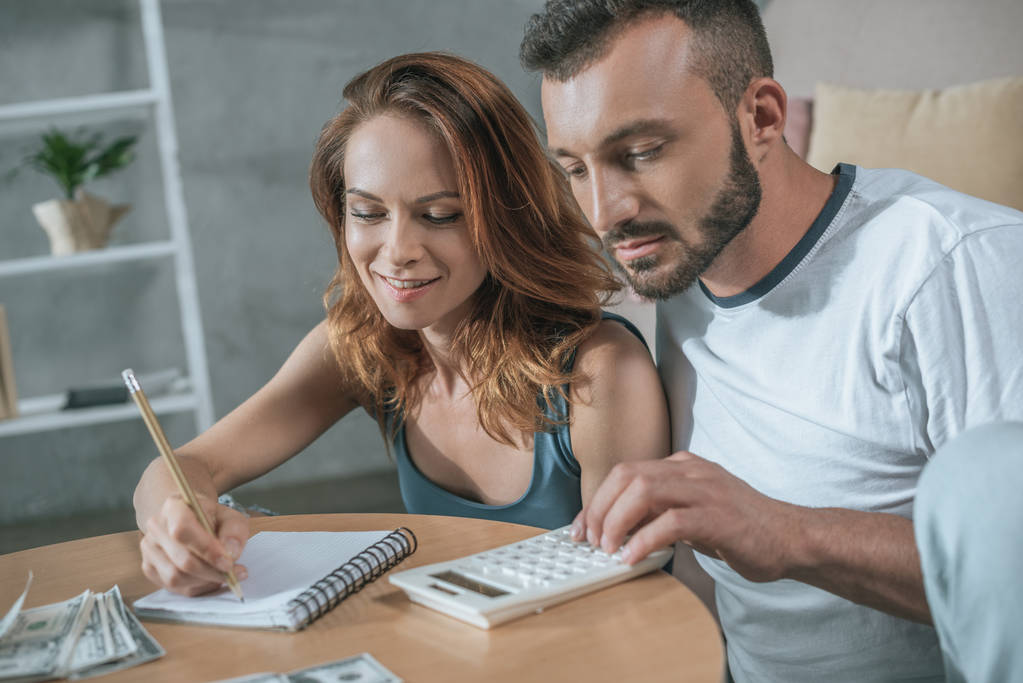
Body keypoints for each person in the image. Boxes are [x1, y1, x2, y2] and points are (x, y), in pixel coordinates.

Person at [520, 1, 1023, 681]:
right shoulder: (683, 264)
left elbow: (1010, 575)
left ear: (761, 116)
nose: (605, 213)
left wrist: (785, 532)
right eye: (576, 169)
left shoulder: (954, 265)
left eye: (640, 153)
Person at [132, 52, 668, 598]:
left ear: (509, 214)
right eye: (368, 213)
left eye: (440, 215)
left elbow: (633, 601)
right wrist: (178, 519)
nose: (398, 251)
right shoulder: (365, 348)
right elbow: (185, 466)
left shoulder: (598, 372)